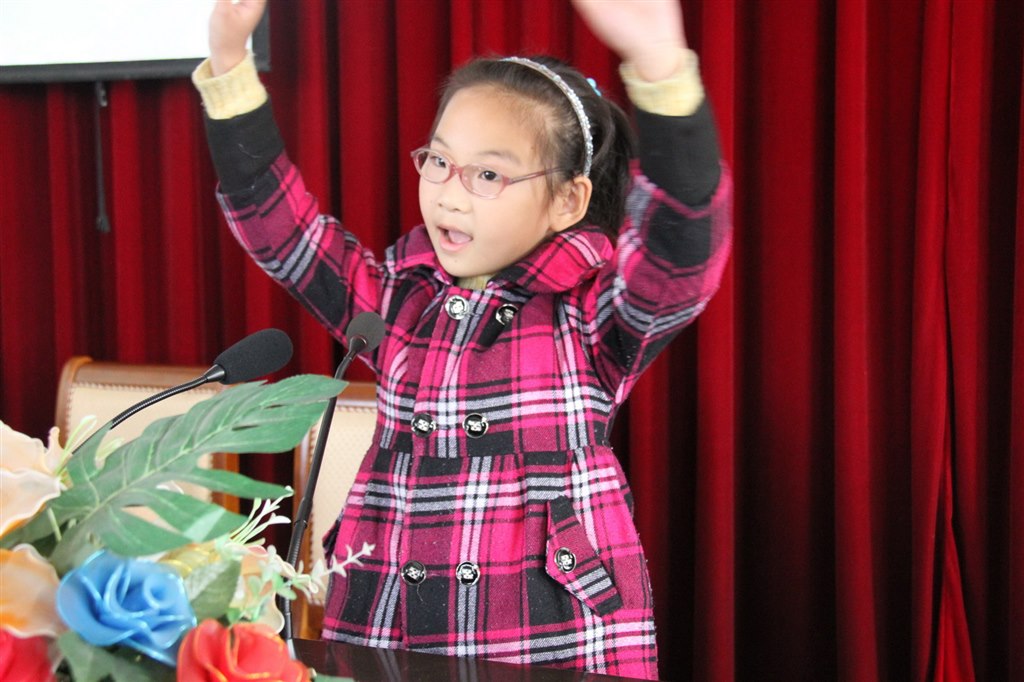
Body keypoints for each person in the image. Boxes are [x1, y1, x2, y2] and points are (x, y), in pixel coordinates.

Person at [193, 0, 731, 678]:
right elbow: (280, 228)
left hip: (545, 635)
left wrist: (663, 75)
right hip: (387, 621)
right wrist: (229, 65)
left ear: (567, 201)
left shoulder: (589, 316)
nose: (449, 195)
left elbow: (681, 251)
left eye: (488, 175)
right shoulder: (396, 297)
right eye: (439, 161)